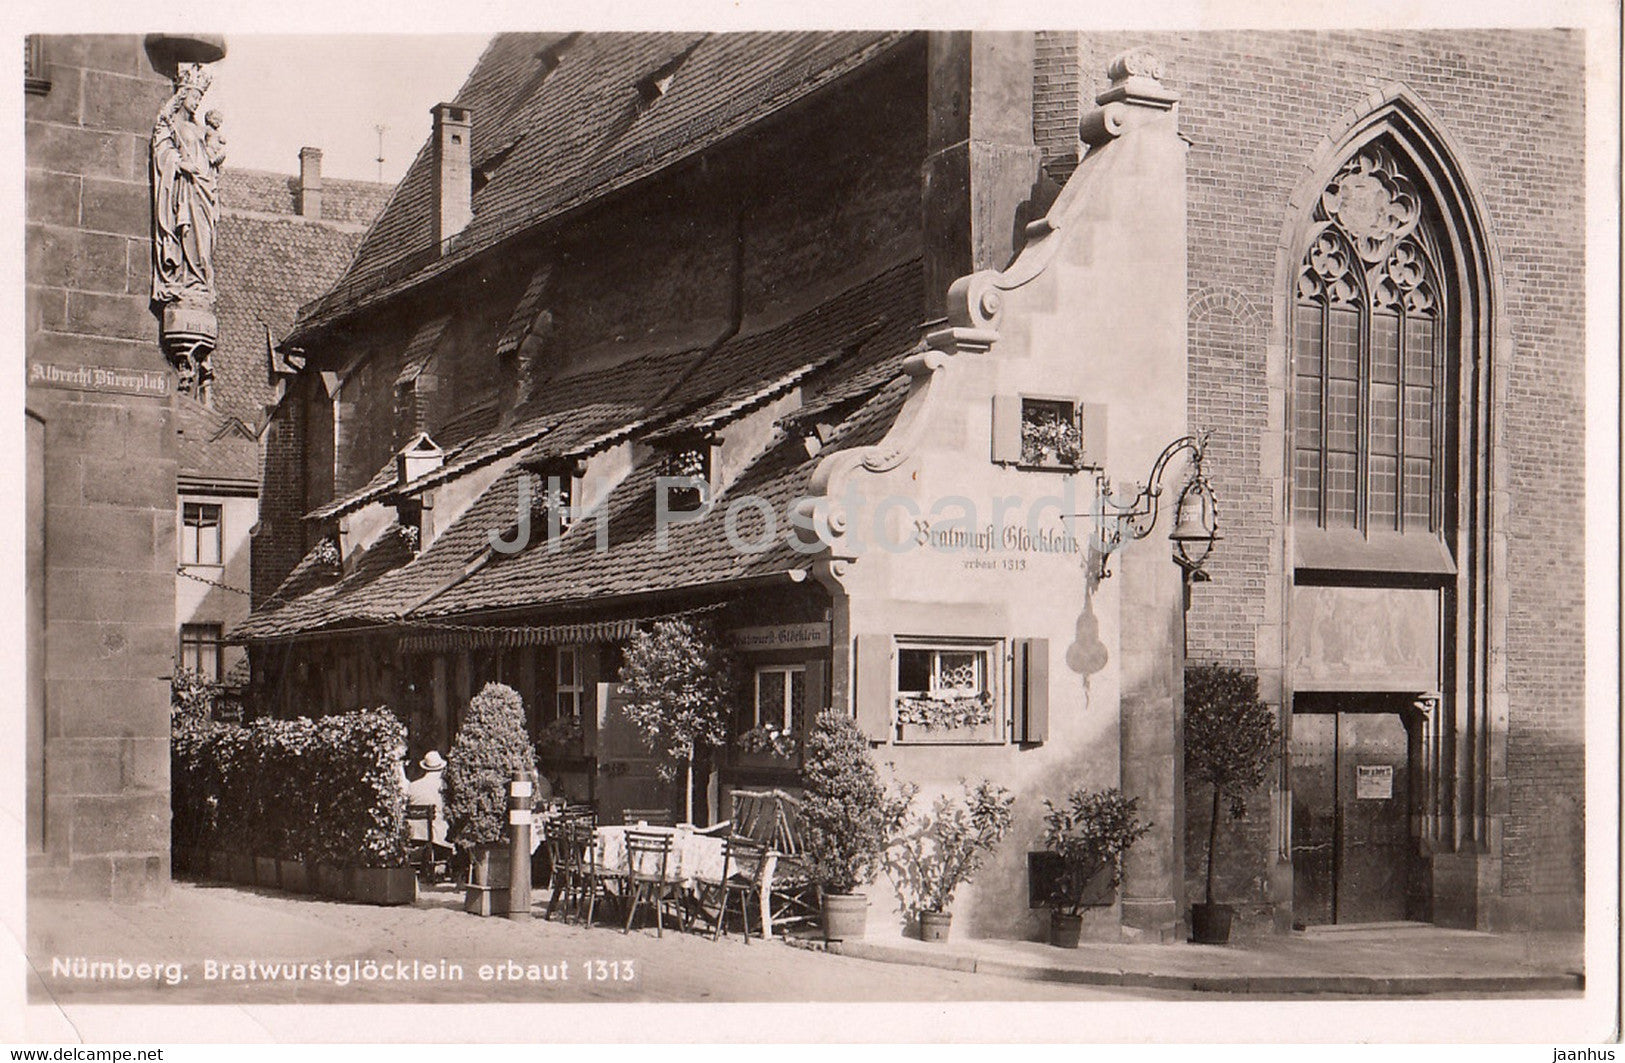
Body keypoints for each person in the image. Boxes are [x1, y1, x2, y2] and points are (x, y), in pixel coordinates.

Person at [150, 63, 222, 306]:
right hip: (186, 189)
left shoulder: (198, 128)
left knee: (205, 236)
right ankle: (187, 278)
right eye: (194, 96)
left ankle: (200, 281)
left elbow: (208, 154)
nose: (197, 102)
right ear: (183, 96)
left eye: (200, 97)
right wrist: (180, 164)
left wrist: (214, 162)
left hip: (204, 189)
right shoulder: (174, 126)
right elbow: (163, 150)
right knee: (189, 233)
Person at [405, 750, 451, 851]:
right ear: (441, 767)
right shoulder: (444, 786)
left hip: (415, 832)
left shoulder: (413, 786)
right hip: (436, 834)